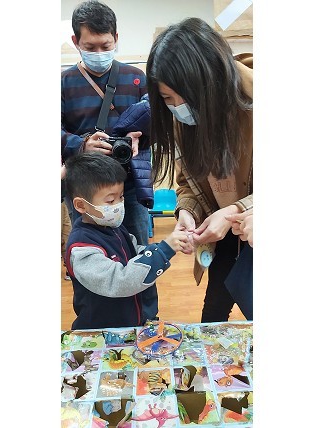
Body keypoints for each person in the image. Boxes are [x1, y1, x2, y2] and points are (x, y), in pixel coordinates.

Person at [146, 17, 253, 322]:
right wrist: (188, 212)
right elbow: (188, 182)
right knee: (213, 313)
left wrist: (235, 210)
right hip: (224, 236)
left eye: (187, 96)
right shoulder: (183, 121)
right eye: (167, 98)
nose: (179, 107)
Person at [61, 0, 159, 320]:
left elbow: (157, 126)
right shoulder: (62, 83)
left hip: (128, 187)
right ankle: (95, 317)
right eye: (90, 47)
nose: (99, 52)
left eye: (106, 45)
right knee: (92, 254)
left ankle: (146, 315)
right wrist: (82, 144)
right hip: (86, 191)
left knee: (138, 250)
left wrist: (139, 138)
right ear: (75, 41)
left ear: (116, 38)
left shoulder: (136, 78)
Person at [63, 153, 188, 329]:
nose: (119, 204)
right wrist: (164, 251)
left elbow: (136, 250)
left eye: (121, 197)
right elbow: (120, 281)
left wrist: (167, 246)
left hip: (134, 322)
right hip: (104, 331)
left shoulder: (113, 226)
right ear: (81, 205)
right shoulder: (82, 248)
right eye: (110, 200)